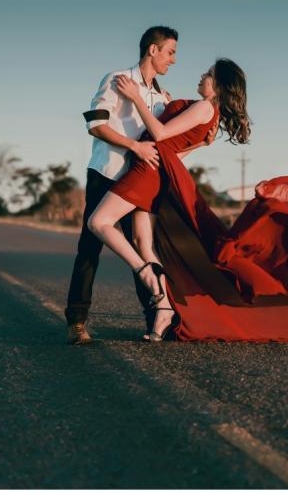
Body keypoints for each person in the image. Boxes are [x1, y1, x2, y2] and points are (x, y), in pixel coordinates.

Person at [88, 59, 288, 342]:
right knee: (143, 243)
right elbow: (177, 151)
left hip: (147, 169)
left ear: (218, 86)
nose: (202, 76)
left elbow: (159, 134)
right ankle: (164, 308)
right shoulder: (211, 117)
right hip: (159, 171)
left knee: (99, 221)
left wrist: (135, 98)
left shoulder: (205, 106)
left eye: (208, 75)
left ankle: (148, 276)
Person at [65, 26, 214, 345]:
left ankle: (157, 318)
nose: (173, 60)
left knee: (141, 243)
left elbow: (166, 145)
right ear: (153, 50)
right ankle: (77, 322)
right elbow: (96, 124)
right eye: (171, 52)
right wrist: (134, 148)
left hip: (140, 180)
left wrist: (201, 143)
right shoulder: (118, 79)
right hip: (107, 172)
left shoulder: (162, 98)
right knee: (90, 248)